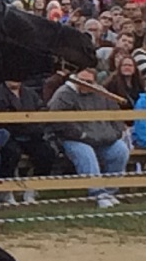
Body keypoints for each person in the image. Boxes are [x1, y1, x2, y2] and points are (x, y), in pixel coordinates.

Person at [47, 65, 130, 209]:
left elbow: (116, 115)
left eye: (89, 82)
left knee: (120, 150)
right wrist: (81, 135)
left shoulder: (103, 94)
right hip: (74, 139)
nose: (84, 84)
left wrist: (116, 133)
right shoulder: (64, 94)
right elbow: (58, 121)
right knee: (86, 154)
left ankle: (110, 191)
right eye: (81, 80)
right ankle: (97, 193)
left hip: (103, 138)